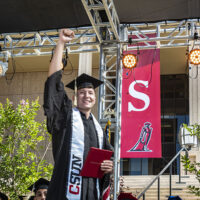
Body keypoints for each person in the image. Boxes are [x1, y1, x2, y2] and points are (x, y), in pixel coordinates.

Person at [43, 29, 113, 200]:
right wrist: (61, 43)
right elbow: (53, 82)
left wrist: (108, 166)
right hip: (65, 193)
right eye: (82, 92)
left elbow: (106, 161)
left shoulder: (99, 131)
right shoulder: (65, 116)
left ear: (95, 99)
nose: (87, 95)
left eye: (90, 92)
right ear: (74, 98)